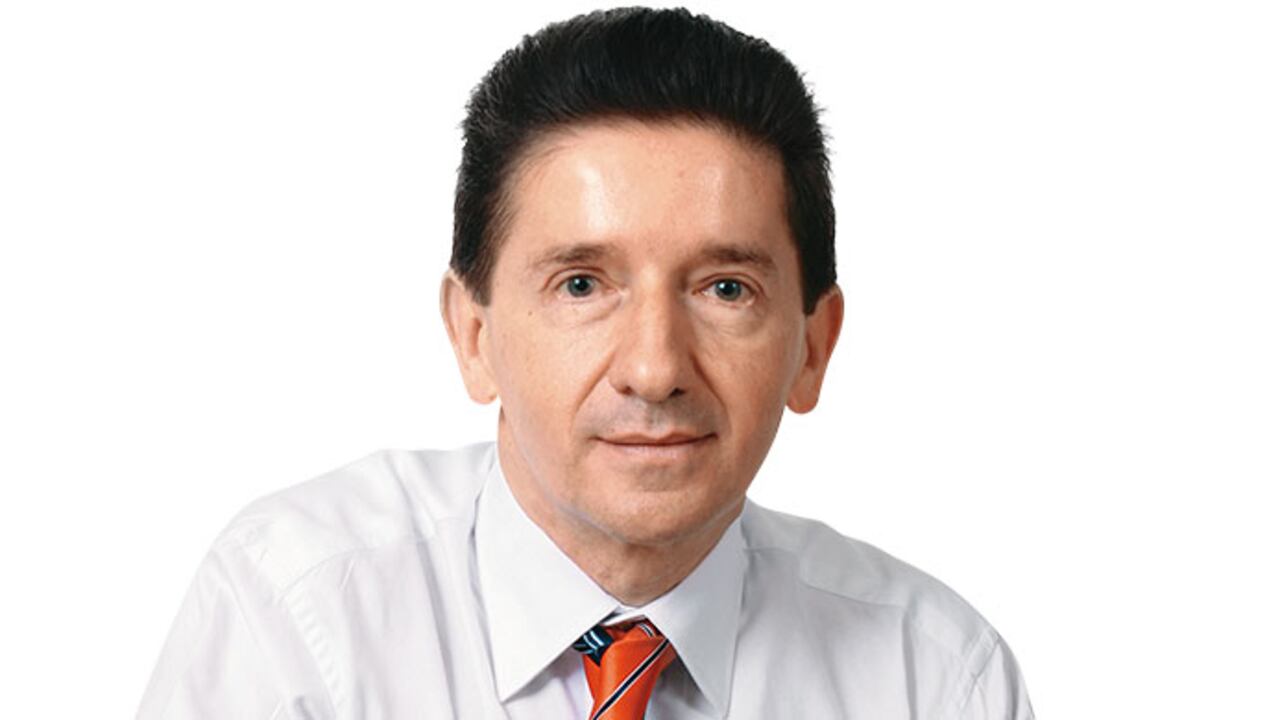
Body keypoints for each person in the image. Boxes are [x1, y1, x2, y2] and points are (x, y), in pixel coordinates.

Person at [137, 7, 1033, 719]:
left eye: (725, 289)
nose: (654, 369)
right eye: (581, 285)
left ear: (814, 347)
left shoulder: (934, 681)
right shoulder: (296, 618)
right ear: (473, 335)